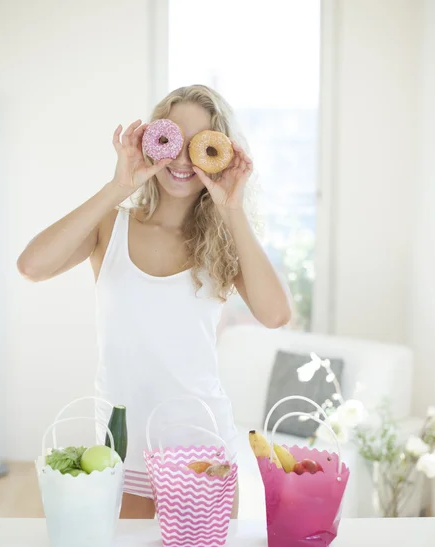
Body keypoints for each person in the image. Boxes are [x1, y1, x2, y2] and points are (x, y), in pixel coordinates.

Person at [17, 84, 292, 518]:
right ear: (151, 141)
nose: (182, 160)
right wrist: (117, 185)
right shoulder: (111, 227)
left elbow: (276, 315)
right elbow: (32, 266)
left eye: (199, 146)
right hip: (123, 447)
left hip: (202, 446)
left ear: (217, 153)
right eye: (171, 142)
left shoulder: (224, 241)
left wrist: (232, 209)